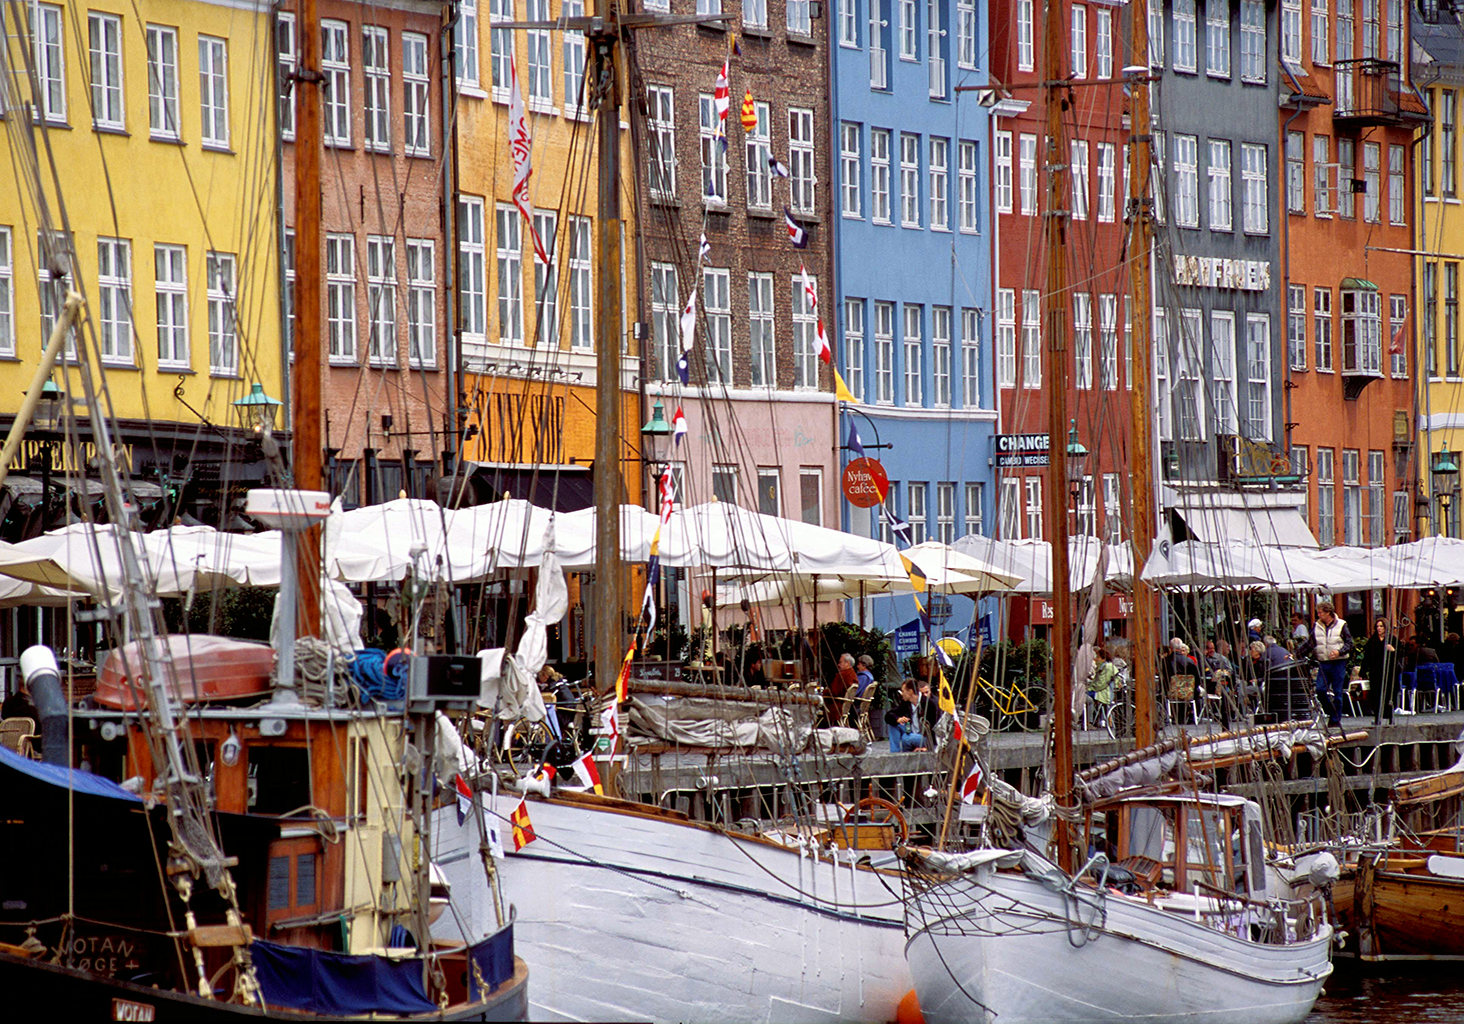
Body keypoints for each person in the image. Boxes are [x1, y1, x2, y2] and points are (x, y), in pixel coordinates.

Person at [1297, 600, 1354, 728]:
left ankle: (1336, 720)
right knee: (1320, 689)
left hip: (1338, 662)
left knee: (1338, 693)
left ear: (1328, 613)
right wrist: (1295, 654)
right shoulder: (1317, 626)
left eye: (1320, 613)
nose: (1318, 615)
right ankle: (1331, 712)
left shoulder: (1341, 625)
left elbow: (1350, 643)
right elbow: (1309, 644)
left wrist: (1339, 652)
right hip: (1324, 662)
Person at [1363, 618, 1397, 724]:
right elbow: (1367, 657)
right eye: (1377, 626)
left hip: (1389, 671)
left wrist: (1393, 650)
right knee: (1376, 694)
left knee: (1389, 694)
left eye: (1381, 626)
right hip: (1375, 671)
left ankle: (1390, 717)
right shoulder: (1372, 641)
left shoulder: (1392, 640)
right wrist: (1363, 671)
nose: (1379, 628)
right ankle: (1377, 718)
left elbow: (1400, 654)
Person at [885, 681, 928, 752]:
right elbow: (888, 715)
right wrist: (898, 719)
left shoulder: (928, 703)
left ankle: (906, 756)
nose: (901, 694)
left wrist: (929, 748)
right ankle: (895, 754)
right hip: (912, 732)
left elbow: (934, 729)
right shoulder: (906, 703)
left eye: (903, 691)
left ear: (910, 692)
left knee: (906, 738)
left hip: (926, 738)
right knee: (894, 725)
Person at [826, 653, 859, 726]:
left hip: (837, 705)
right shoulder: (852, 674)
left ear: (847, 663)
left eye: (840, 662)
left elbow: (834, 692)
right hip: (844, 705)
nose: (838, 665)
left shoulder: (843, 675)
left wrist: (822, 692)